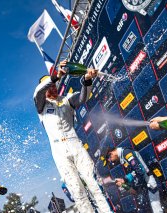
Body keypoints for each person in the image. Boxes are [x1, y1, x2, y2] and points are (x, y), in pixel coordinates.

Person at [33, 60, 112, 213]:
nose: (53, 89)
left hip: (75, 144)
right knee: (77, 190)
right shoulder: (41, 105)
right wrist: (56, 76)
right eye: (49, 87)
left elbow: (83, 97)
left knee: (94, 182)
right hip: (58, 150)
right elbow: (38, 92)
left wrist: (87, 79)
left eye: (54, 86)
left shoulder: (66, 99)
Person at [106, 147, 163, 213]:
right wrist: (125, 184)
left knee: (156, 209)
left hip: (148, 182)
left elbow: (140, 170)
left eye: (110, 160)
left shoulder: (126, 153)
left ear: (111, 154)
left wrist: (125, 179)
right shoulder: (123, 156)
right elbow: (134, 174)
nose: (112, 162)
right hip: (144, 184)